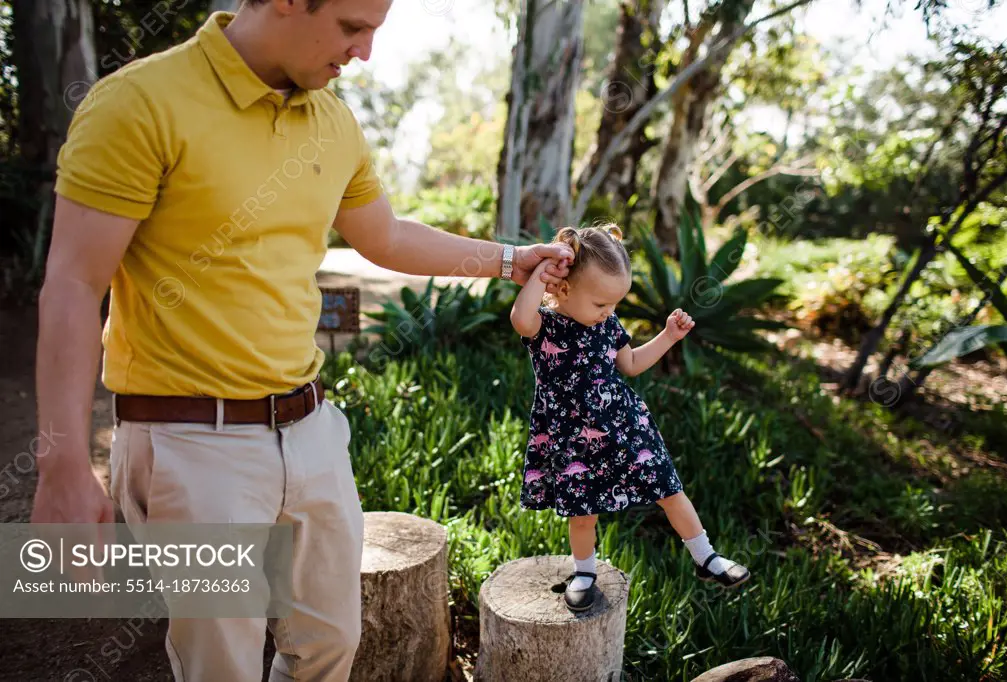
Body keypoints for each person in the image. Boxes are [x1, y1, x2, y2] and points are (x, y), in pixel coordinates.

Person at [31, 1, 574, 680]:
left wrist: (506, 259)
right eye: (352, 27)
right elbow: (75, 285)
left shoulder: (332, 118)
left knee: (329, 644)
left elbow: (386, 236)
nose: (366, 53)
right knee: (221, 667)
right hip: (190, 445)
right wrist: (61, 464)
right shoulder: (140, 103)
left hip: (311, 430)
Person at [509, 225, 750, 612]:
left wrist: (668, 336)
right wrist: (543, 272)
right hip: (573, 436)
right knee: (583, 512)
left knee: (669, 488)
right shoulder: (545, 328)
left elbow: (632, 363)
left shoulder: (608, 325)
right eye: (601, 303)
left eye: (615, 305)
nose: (608, 312)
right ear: (564, 289)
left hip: (625, 424)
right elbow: (521, 316)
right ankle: (584, 571)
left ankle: (705, 557)